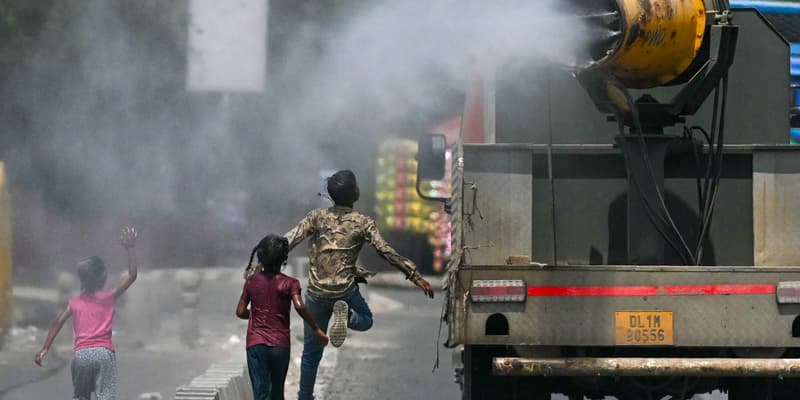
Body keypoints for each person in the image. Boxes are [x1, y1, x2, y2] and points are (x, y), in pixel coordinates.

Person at [280, 169, 435, 400]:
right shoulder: (363, 222)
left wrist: (264, 262)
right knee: (367, 319)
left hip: (316, 294)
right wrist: (414, 274)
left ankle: (304, 397)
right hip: (344, 291)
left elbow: (288, 240)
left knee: (311, 353)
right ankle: (349, 318)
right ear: (355, 193)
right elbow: (385, 251)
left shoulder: (316, 217)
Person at [34, 227, 138, 400]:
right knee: (105, 395)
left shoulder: (74, 303)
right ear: (103, 276)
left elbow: (57, 323)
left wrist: (44, 348)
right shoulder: (108, 297)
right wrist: (131, 248)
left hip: (81, 355)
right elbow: (132, 275)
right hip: (104, 354)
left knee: (81, 396)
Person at [236, 234, 329, 400]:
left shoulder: (251, 282)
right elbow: (300, 306)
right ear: (283, 259)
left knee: (260, 392)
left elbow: (240, 312)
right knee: (277, 393)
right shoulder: (290, 283)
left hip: (256, 344)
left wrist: (258, 313)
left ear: (260, 258)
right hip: (280, 344)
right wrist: (316, 328)